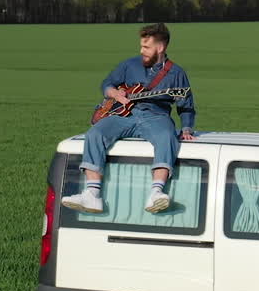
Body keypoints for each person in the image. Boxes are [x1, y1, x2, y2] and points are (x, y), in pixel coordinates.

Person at [62, 23, 196, 214]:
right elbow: (107, 84)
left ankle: (156, 193)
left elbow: (186, 106)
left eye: (146, 47)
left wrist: (187, 129)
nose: (142, 51)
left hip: (156, 116)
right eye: (141, 46)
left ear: (161, 47)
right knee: (94, 134)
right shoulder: (129, 64)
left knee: (167, 136)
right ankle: (92, 195)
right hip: (124, 115)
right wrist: (116, 95)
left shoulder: (177, 73)